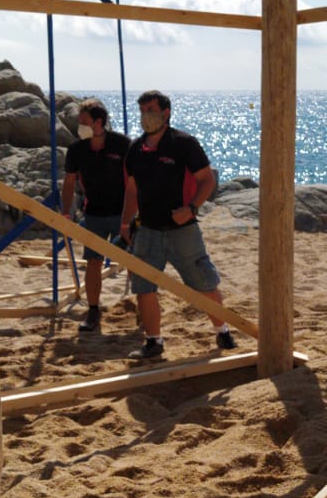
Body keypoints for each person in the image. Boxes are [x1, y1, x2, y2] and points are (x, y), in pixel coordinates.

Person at [119, 90, 235, 359]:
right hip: (147, 229)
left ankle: (223, 332)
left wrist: (192, 208)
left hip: (183, 231)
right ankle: (153, 341)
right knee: (144, 287)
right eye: (142, 110)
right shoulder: (136, 149)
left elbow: (207, 180)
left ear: (166, 113)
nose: (146, 116)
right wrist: (126, 222)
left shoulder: (184, 144)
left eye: (150, 109)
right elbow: (132, 190)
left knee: (204, 283)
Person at [61, 98, 130, 333]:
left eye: (84, 122)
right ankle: (93, 311)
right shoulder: (77, 148)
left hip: (122, 212)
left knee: (135, 261)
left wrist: (134, 214)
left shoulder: (121, 144)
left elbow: (134, 181)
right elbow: (69, 183)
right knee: (93, 261)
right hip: (94, 213)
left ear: (99, 122)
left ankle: (142, 306)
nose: (79, 126)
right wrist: (65, 214)